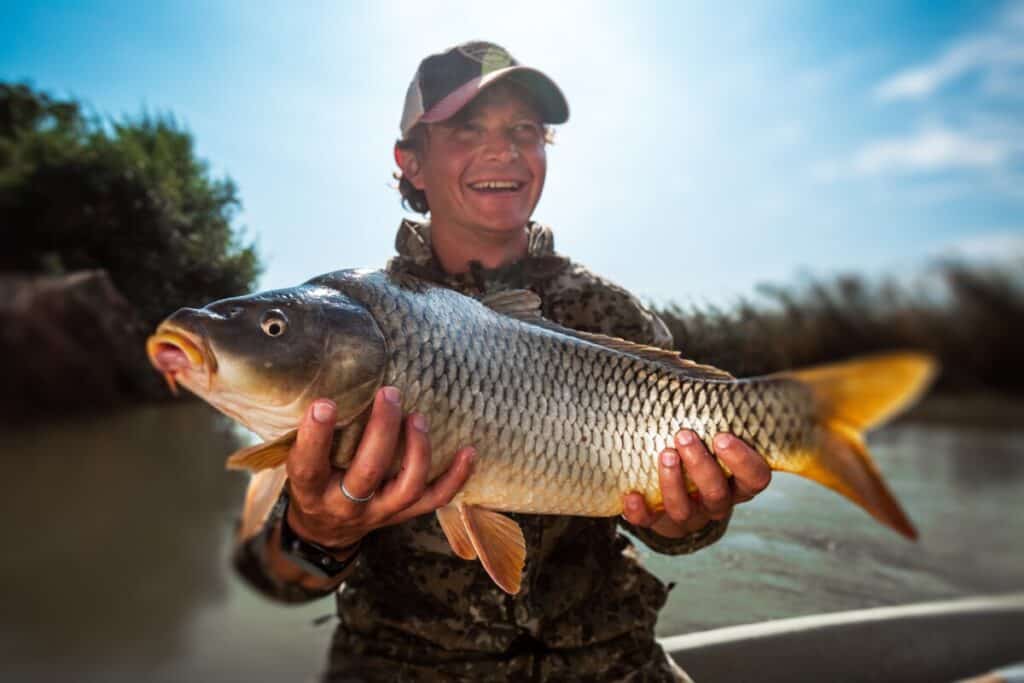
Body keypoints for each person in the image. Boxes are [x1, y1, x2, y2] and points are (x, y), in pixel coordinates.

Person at [234, 41, 771, 682]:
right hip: (402, 668)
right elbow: (278, 580)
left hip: (607, 661)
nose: (505, 149)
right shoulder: (346, 318)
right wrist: (316, 530)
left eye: (525, 130)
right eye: (468, 128)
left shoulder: (611, 314)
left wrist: (695, 517)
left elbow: (679, 535)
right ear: (411, 163)